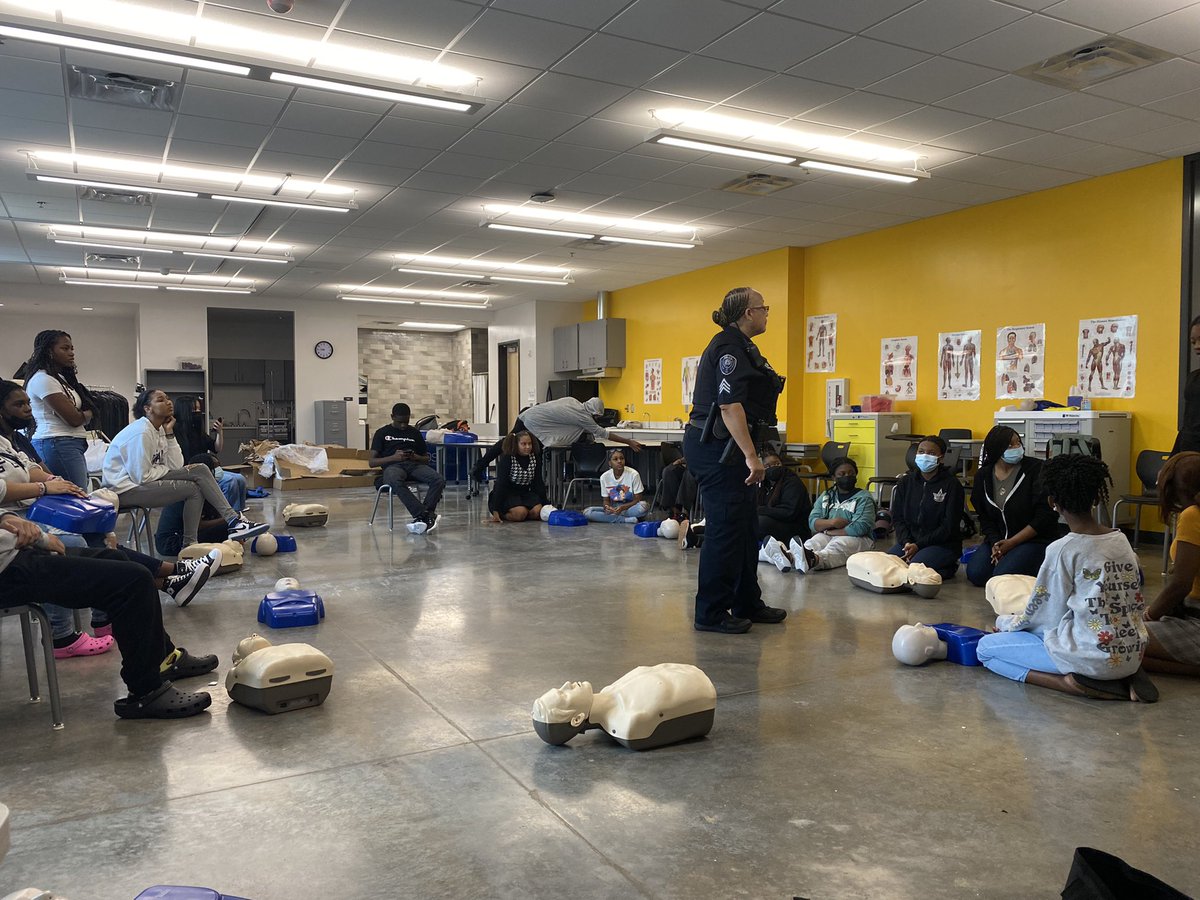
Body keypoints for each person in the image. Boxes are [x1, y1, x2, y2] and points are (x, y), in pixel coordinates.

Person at [0, 381, 221, 654]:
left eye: (27, 403)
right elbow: (142, 475)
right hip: (31, 519)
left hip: (34, 509)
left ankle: (163, 582)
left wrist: (56, 483)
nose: (27, 409)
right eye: (18, 404)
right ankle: (65, 635)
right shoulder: (141, 431)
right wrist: (44, 488)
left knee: (101, 535)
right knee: (104, 555)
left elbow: (32, 470)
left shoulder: (12, 441)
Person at [0, 512, 218, 719]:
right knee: (134, 581)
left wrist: (6, 518)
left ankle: (164, 658)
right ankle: (146, 690)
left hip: (15, 551)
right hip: (7, 568)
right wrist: (40, 533)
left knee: (117, 557)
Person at [975, 455, 1156, 702]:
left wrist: (1007, 624)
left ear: (1052, 502)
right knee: (1047, 630)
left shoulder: (1063, 549)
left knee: (986, 650)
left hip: (1091, 656)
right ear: (1097, 498)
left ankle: (1072, 683)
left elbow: (1045, 613)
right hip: (1132, 653)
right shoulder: (1121, 540)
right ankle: (1121, 677)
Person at [683, 286, 786, 634]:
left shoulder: (741, 346)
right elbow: (729, 406)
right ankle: (710, 612)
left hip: (728, 447)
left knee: (744, 528)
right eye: (763, 307)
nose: (767, 312)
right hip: (718, 449)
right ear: (747, 313)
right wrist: (752, 457)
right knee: (725, 529)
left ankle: (746, 601)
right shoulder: (728, 348)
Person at [103, 389, 268, 548]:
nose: (168, 402)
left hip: (142, 482)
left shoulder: (159, 430)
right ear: (147, 408)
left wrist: (169, 433)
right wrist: (164, 470)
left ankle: (231, 522)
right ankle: (190, 543)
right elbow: (141, 476)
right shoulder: (142, 432)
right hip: (124, 490)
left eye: (168, 398)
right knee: (193, 489)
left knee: (201, 469)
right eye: (160, 400)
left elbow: (176, 465)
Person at [470, 397, 644, 483]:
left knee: (507, 443)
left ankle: (480, 465)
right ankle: (534, 484)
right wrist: (628, 442)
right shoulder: (583, 416)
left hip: (526, 415)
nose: (596, 419)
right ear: (594, 413)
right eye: (597, 416)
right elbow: (602, 433)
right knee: (531, 451)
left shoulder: (573, 401)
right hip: (534, 423)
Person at [966, 426, 1059, 586]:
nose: (1017, 447)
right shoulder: (983, 475)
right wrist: (996, 544)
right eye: (1010, 445)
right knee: (977, 574)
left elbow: (1045, 516)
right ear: (996, 448)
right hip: (1000, 538)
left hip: (1033, 539)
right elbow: (985, 517)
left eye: (1018, 443)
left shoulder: (1036, 469)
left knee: (1002, 576)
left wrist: (1012, 543)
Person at [1142, 451, 1200, 676]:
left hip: (1195, 622)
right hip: (1190, 614)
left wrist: (1149, 615)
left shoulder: (1192, 515)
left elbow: (1180, 585)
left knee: (1112, 639)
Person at [21, 330, 98, 489]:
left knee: (77, 494)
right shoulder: (43, 380)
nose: (71, 353)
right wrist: (89, 413)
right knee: (76, 495)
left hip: (67, 443)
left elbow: (77, 415)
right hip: (57, 442)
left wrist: (82, 414)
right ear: (49, 351)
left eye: (72, 348)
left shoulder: (59, 379)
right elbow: (73, 419)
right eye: (65, 348)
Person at [886, 435, 964, 579]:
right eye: (921, 451)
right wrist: (907, 542)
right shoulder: (906, 482)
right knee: (886, 565)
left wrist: (919, 545)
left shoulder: (952, 485)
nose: (925, 456)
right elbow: (898, 518)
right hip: (910, 542)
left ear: (941, 458)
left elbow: (949, 526)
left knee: (914, 568)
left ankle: (948, 567)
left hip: (942, 544)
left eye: (931, 453)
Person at [780, 457, 876, 573]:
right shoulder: (827, 495)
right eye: (842, 474)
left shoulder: (864, 497)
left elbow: (860, 527)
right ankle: (789, 557)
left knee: (838, 545)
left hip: (860, 538)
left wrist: (829, 531)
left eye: (851, 473)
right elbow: (813, 522)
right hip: (829, 533)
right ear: (834, 477)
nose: (847, 476)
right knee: (814, 541)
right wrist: (832, 522)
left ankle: (813, 559)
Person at [368, 402, 444, 534]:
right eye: (400, 422)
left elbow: (426, 459)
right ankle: (424, 515)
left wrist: (415, 457)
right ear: (392, 417)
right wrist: (393, 457)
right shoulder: (382, 433)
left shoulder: (414, 433)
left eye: (406, 422)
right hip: (393, 466)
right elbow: (372, 462)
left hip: (414, 465)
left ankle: (424, 516)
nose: (403, 425)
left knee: (438, 479)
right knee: (394, 480)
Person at [173, 395, 246, 512]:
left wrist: (219, 432)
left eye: (199, 409)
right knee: (230, 482)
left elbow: (216, 448)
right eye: (194, 409)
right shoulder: (175, 432)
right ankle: (227, 515)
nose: (198, 412)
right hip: (191, 472)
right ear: (185, 411)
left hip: (206, 470)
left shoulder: (197, 430)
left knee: (240, 479)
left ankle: (238, 512)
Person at [154, 453, 233, 556]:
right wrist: (227, 520)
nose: (219, 470)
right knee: (226, 528)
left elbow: (216, 514)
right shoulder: (188, 491)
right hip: (171, 542)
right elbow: (198, 525)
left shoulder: (207, 488)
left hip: (185, 535)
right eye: (215, 466)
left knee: (229, 528)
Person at [489, 431, 549, 522]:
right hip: (508, 493)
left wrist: (545, 504)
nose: (527, 447)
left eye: (529, 444)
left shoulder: (535, 458)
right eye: (523, 444)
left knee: (538, 511)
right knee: (520, 513)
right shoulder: (508, 458)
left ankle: (525, 514)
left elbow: (538, 482)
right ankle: (504, 515)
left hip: (525, 493)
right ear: (516, 445)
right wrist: (495, 509)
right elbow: (501, 483)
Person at [755, 451, 811, 545]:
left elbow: (788, 513)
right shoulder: (764, 484)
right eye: (767, 466)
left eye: (777, 464)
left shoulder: (792, 482)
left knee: (760, 522)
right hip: (776, 522)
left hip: (795, 526)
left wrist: (761, 510)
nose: (773, 468)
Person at [584, 448, 648, 523]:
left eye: (622, 458)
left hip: (630, 507)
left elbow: (637, 499)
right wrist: (607, 507)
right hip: (614, 508)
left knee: (643, 506)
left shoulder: (634, 474)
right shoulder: (604, 477)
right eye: (615, 459)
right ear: (610, 463)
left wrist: (623, 508)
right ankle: (624, 520)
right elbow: (606, 500)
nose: (619, 461)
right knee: (587, 512)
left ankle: (613, 517)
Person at [1173, 315, 1200, 453]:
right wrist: (1173, 459)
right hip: (1189, 451)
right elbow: (1187, 424)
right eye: (1193, 342)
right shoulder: (1193, 378)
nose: (1197, 346)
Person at [656, 443, 697, 521]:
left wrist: (682, 460)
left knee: (688, 474)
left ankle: (685, 510)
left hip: (699, 466)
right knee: (668, 471)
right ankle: (674, 509)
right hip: (685, 463)